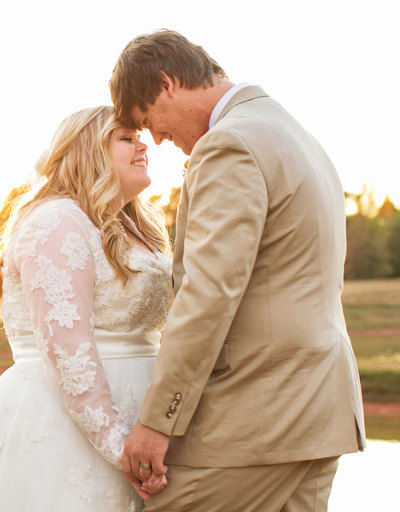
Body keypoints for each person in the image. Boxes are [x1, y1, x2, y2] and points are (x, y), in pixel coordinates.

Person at [109, 30, 366, 510]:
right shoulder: (296, 135)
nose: (160, 140)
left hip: (254, 416)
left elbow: (207, 296)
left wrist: (157, 422)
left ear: (167, 84)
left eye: (152, 122)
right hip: (318, 412)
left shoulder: (229, 145)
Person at [0, 105, 173, 511]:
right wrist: (119, 448)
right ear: (89, 150)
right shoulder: (56, 220)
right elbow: (67, 352)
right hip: (68, 425)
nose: (143, 145)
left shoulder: (135, 226)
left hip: (146, 416)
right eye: (126, 138)